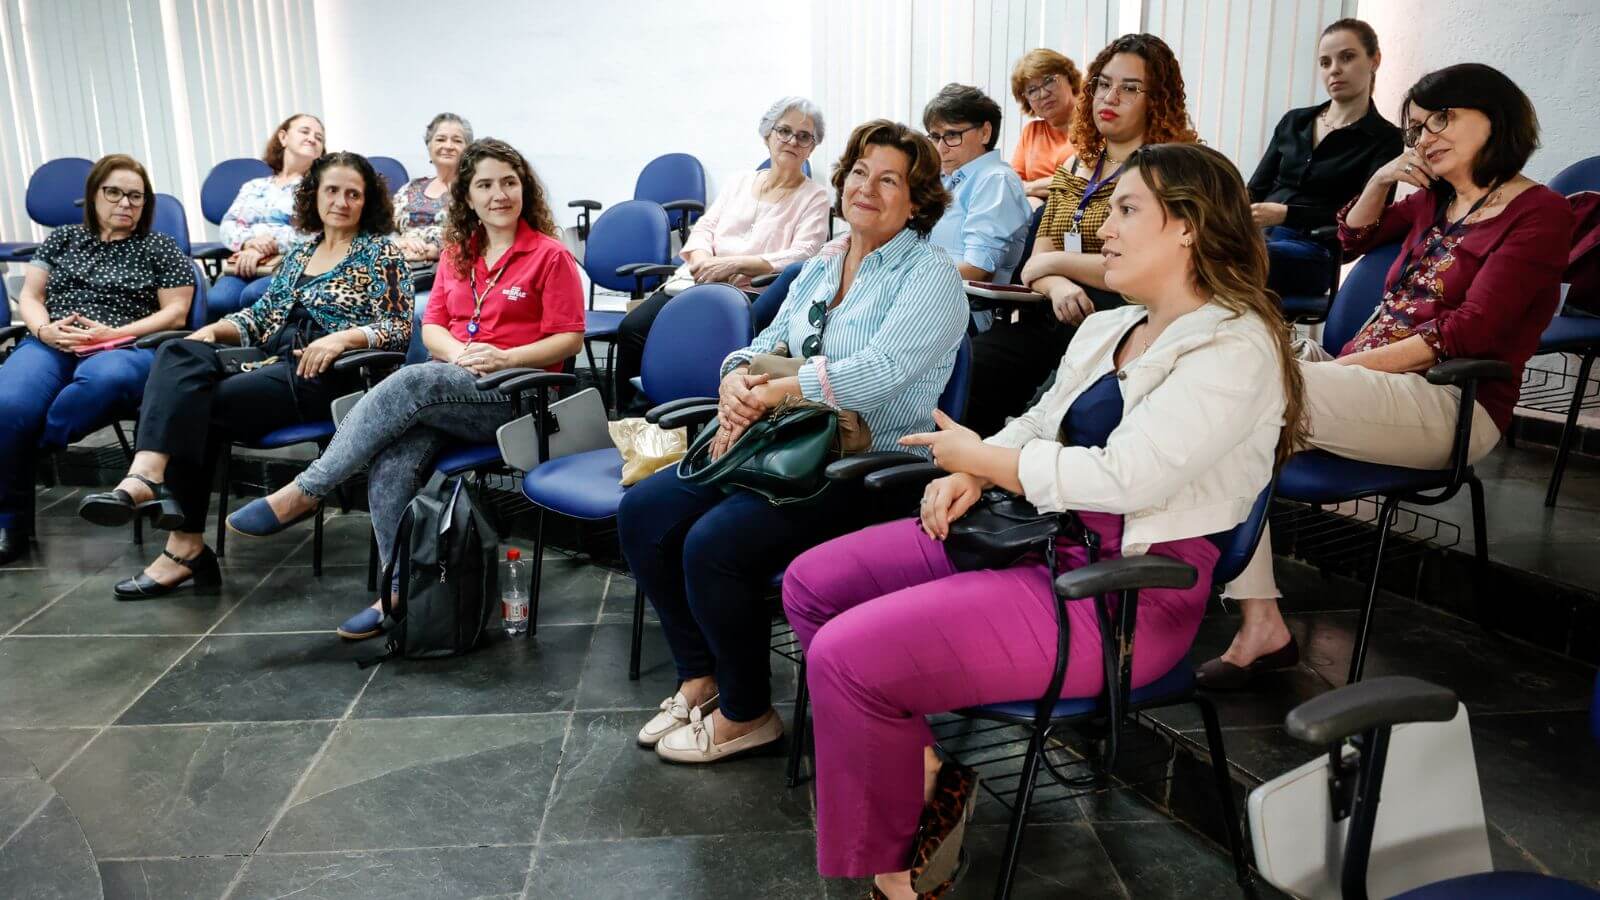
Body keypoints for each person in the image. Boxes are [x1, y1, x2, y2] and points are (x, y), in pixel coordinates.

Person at [781, 143, 1302, 899]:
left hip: (1121, 590)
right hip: (1034, 534)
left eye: (1126, 210)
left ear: (1187, 226)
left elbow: (1128, 478)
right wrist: (973, 464)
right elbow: (1037, 423)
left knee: (847, 659)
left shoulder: (1235, 345)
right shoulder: (1112, 328)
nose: (1103, 228)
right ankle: (925, 772)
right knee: (812, 584)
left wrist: (990, 465)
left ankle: (903, 882)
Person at [1198, 63, 1575, 689]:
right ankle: (1258, 621)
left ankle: (1162, 581)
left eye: (1444, 118)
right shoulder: (1435, 200)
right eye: (1416, 127)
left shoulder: (1540, 214)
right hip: (1361, 380)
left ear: (1498, 116)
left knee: (1246, 394)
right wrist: (1380, 176)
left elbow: (1466, 334)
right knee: (1216, 365)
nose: (1426, 136)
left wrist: (1336, 371)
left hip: (1451, 402)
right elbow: (1350, 236)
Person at [617, 120, 969, 766]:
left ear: (917, 201)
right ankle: (702, 676)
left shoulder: (931, 275)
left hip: (867, 467)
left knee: (714, 543)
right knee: (644, 512)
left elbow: (882, 369)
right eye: (860, 172)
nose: (868, 187)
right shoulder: (828, 259)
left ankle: (747, 714)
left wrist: (779, 391)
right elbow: (763, 340)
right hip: (787, 448)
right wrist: (734, 382)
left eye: (890, 179)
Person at [224, 139, 586, 640]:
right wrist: (460, 355)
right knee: (392, 460)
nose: (499, 194)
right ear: (468, 197)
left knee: (414, 380)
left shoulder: (550, 256)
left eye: (509, 182)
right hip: (454, 385)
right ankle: (398, 591)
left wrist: (505, 358)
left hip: (515, 395)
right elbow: (433, 325)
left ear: (524, 189)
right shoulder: (459, 254)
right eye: (485, 184)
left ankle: (307, 491)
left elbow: (569, 338)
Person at [76, 152, 413, 600]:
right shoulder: (301, 252)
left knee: (197, 405)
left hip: (327, 373)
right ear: (314, 195)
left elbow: (398, 327)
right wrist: (214, 330)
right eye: (332, 190)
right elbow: (260, 317)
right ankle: (147, 475)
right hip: (271, 359)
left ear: (366, 202)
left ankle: (182, 545)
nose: (341, 201)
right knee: (180, 350)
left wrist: (343, 339)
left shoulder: (379, 251)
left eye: (354, 193)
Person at [967, 33, 1198, 437]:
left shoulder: (1170, 170)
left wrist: (1053, 264)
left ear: (1156, 99)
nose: (1110, 98)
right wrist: (1056, 285)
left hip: (1121, 318)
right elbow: (1039, 253)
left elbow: (1141, 263)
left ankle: (1005, 479)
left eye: (1130, 88)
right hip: (1054, 312)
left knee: (1048, 411)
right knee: (974, 372)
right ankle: (963, 478)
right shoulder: (1077, 163)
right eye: (1104, 85)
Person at [0, 155, 196, 566]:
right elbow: (32, 296)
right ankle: (10, 523)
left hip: (126, 347)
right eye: (114, 193)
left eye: (136, 197)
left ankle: (28, 447)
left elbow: (176, 313)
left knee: (100, 383)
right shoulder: (63, 238)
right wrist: (43, 331)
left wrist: (115, 334)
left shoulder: (158, 246)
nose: (125, 203)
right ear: (93, 195)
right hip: (53, 342)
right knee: (8, 405)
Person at [613, 97, 831, 410]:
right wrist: (702, 262)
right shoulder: (739, 182)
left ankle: (697, 422)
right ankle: (633, 424)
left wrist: (735, 265)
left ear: (812, 147)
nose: (792, 141)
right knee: (633, 329)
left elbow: (804, 255)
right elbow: (704, 230)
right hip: (701, 281)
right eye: (784, 131)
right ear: (767, 135)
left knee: (699, 342)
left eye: (804, 136)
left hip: (753, 293)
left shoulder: (815, 196)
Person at [1249, 19, 1403, 298]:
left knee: (1230, 261)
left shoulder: (1385, 139)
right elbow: (1255, 189)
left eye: (1347, 57)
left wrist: (1287, 214)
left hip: (1313, 250)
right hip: (1256, 237)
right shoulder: (1295, 121)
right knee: (1194, 247)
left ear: (1374, 60)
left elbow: (1365, 219)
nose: (1335, 70)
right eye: (1325, 62)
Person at [209, 113, 327, 318]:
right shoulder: (254, 186)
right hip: (246, 258)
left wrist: (265, 247)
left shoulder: (320, 188)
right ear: (283, 137)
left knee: (253, 296)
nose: (312, 139)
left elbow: (316, 233)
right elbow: (228, 225)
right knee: (218, 301)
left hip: (291, 262)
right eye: (305, 131)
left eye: (319, 137)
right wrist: (249, 243)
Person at [921, 83, 1031, 291]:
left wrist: (904, 277)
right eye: (934, 137)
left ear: (985, 133)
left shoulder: (996, 181)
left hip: (960, 307)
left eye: (952, 135)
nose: (940, 148)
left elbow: (978, 270)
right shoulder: (943, 178)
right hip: (921, 295)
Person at [391, 113, 473, 264]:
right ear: (429, 146)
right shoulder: (410, 188)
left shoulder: (474, 191)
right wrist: (399, 242)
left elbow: (480, 237)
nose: (448, 146)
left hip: (449, 270)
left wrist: (433, 251)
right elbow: (382, 229)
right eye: (441, 139)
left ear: (467, 149)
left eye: (457, 140)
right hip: (399, 265)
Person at [1008, 49, 1082, 205]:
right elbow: (1012, 186)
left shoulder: (1095, 123)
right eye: (1032, 90)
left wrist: (1029, 188)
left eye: (1049, 81)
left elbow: (1080, 180)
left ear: (1069, 77)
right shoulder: (1031, 132)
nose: (1042, 94)